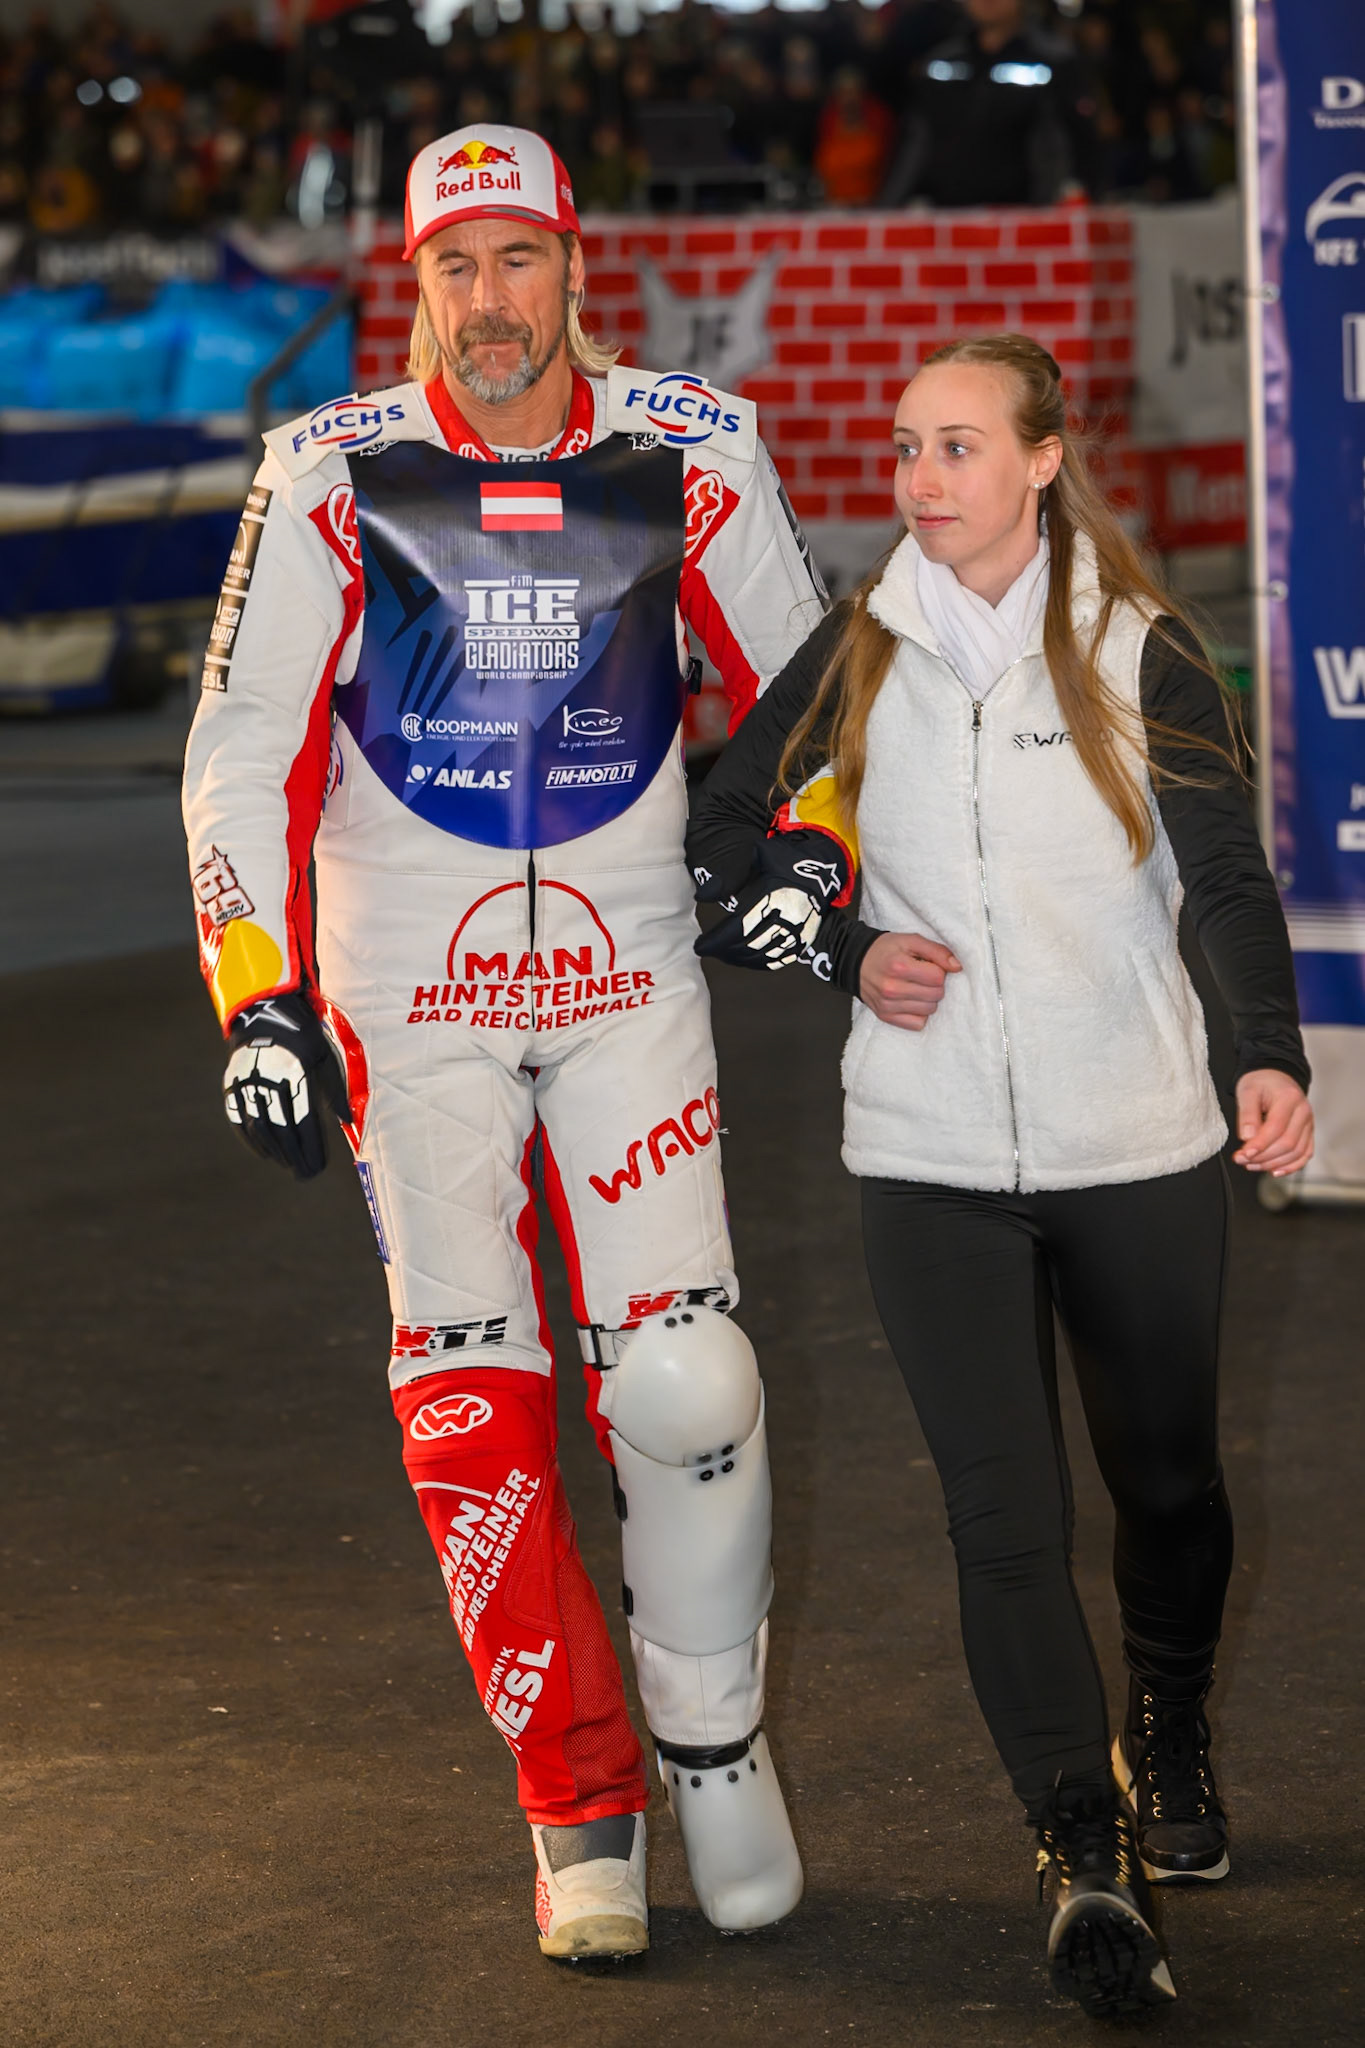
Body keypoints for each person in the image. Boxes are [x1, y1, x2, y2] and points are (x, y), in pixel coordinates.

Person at [182, 121, 827, 1963]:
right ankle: (577, 1808)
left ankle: (715, 1748)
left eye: (516, 259)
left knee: (687, 1384)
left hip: (627, 978)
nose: (487, 303)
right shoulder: (323, 470)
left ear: (572, 258)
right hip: (411, 1003)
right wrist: (260, 993)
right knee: (474, 1411)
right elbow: (241, 753)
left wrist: (809, 851)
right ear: (416, 282)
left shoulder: (688, 449)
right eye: (451, 268)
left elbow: (807, 689)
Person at [685, 333, 1313, 2020]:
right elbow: (721, 834)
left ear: (1041, 460)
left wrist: (1264, 1046)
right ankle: (1078, 1843)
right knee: (1003, 1520)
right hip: (928, 1153)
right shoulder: (861, 649)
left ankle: (1167, 1713)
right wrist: (837, 945)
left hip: (1134, 1143)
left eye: (956, 447)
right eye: (904, 448)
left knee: (1164, 1488)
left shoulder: (1136, 650)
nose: (918, 479)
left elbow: (1225, 882)